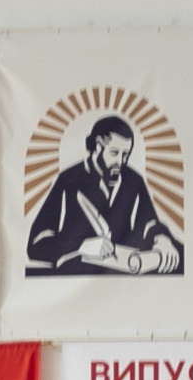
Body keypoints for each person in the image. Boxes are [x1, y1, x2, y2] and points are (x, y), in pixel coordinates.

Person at [25, 114, 183, 276]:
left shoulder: (133, 180)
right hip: (79, 277)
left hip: (123, 278)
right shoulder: (68, 180)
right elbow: (36, 243)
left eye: (126, 155)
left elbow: (149, 222)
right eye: (114, 153)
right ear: (98, 146)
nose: (121, 162)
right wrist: (81, 246)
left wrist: (162, 239)